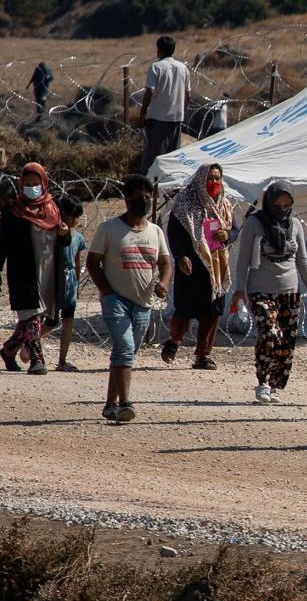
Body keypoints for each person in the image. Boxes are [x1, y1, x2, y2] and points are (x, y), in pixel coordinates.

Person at [87, 175, 171, 424]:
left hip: (143, 303)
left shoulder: (155, 231)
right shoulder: (109, 229)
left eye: (148, 198)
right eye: (138, 198)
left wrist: (163, 283)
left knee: (126, 353)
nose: (144, 203)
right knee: (124, 348)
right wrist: (107, 291)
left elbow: (166, 262)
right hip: (116, 300)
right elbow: (93, 262)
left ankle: (110, 404)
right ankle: (125, 403)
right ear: (127, 200)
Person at [230, 182, 307, 405]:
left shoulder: (295, 224)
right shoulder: (254, 223)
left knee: (286, 341)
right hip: (260, 288)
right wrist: (239, 289)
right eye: (278, 204)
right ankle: (263, 382)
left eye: (287, 205)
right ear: (269, 202)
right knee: (270, 333)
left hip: (290, 290)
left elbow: (302, 260)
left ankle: (276, 383)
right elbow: (243, 259)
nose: (282, 209)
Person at [160, 164, 233, 371]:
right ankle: (175, 340)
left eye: (218, 179)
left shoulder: (224, 205)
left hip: (217, 268)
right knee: (185, 308)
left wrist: (228, 235)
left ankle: (203, 355)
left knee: (212, 311)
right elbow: (175, 233)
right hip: (191, 266)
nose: (215, 183)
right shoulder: (185, 203)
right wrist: (180, 255)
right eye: (210, 178)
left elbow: (234, 230)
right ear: (201, 179)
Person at [1, 163, 65, 375]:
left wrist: (66, 234)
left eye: (35, 183)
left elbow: (63, 242)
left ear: (43, 183)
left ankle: (9, 351)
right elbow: (3, 243)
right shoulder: (13, 211)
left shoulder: (53, 208)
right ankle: (37, 360)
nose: (32, 187)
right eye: (27, 184)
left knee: (34, 317)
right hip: (24, 272)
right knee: (31, 317)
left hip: (48, 271)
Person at [139, 35, 190, 172]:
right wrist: (181, 113)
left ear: (158, 50)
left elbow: (149, 92)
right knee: (171, 156)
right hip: (176, 118)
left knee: (152, 156)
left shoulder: (156, 67)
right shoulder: (183, 68)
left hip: (158, 118)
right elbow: (188, 95)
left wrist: (142, 114)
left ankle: (148, 185)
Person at [54, 199, 85, 372]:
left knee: (68, 321)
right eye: (72, 216)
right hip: (55, 280)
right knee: (50, 321)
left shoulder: (78, 238)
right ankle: (27, 346)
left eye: (77, 217)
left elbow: (77, 263)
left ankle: (62, 360)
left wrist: (77, 285)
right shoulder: (52, 235)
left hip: (70, 282)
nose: (74, 220)